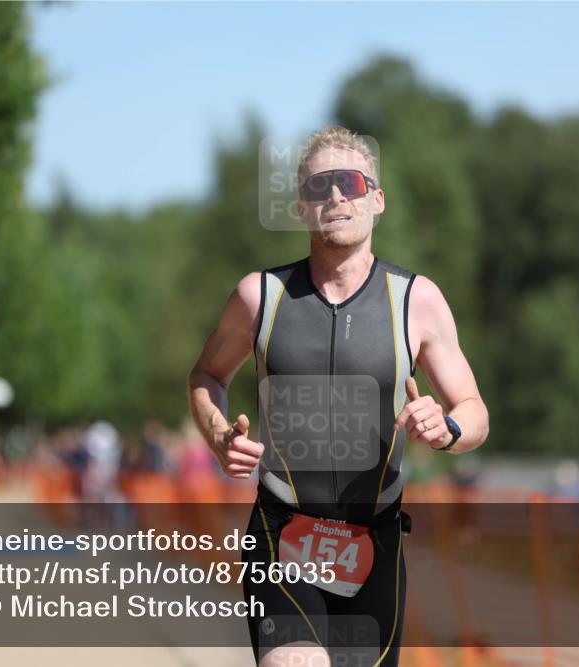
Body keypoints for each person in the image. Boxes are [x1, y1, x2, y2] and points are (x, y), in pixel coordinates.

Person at [188, 128, 489, 667]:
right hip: (282, 534)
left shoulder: (416, 301)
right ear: (302, 208)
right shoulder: (259, 296)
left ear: (376, 199)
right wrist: (216, 435)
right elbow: (207, 374)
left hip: (374, 544)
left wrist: (449, 429)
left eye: (349, 182)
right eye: (320, 185)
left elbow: (475, 411)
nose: (335, 197)